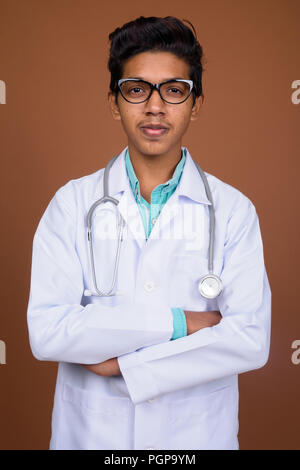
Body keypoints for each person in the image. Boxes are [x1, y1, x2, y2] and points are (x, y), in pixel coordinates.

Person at [26, 16, 271, 450]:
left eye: (174, 90)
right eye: (136, 89)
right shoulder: (72, 204)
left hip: (196, 437)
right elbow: (49, 331)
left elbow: (249, 341)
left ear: (195, 104)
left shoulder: (233, 211)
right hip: (93, 436)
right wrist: (184, 323)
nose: (154, 106)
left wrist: (126, 366)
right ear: (114, 101)